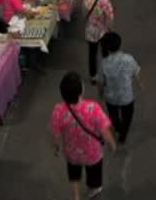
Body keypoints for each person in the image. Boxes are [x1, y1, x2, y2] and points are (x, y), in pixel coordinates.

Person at [49, 72, 117, 200]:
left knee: (74, 174)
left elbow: (55, 133)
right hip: (92, 153)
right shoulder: (93, 108)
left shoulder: (58, 110)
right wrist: (112, 144)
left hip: (72, 153)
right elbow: (104, 130)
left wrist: (56, 147)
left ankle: (76, 195)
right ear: (81, 90)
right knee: (94, 174)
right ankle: (93, 190)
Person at [98, 32, 142, 144]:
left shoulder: (104, 63)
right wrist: (139, 83)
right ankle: (123, 133)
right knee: (127, 116)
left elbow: (102, 82)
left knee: (114, 117)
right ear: (120, 44)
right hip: (127, 96)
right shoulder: (128, 58)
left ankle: (118, 128)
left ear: (107, 48)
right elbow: (136, 72)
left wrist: (101, 93)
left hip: (111, 97)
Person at [82, 0, 114, 82]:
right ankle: (106, 74)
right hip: (103, 31)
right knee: (105, 53)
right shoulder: (104, 1)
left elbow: (84, 14)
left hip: (90, 30)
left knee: (92, 53)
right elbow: (110, 17)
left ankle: (93, 76)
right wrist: (110, 28)